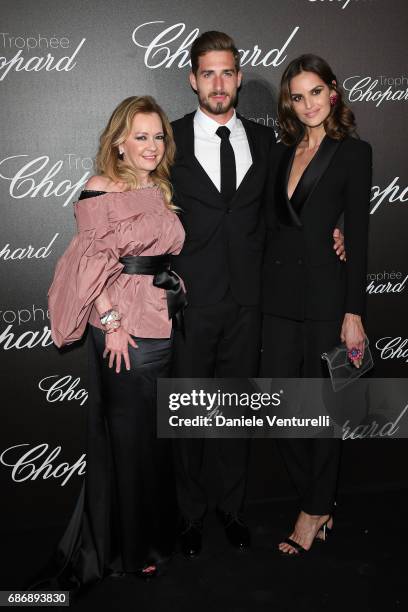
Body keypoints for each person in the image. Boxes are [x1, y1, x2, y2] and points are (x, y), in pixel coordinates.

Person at [169, 32, 345, 559]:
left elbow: (294, 211)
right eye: (208, 74)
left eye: (227, 73)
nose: (218, 84)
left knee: (235, 415)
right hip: (191, 303)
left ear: (240, 78)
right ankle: (190, 515)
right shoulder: (169, 140)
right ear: (193, 79)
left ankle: (231, 508)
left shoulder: (268, 143)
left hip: (252, 303)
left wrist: (339, 230)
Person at [43, 95, 186, 587]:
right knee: (126, 442)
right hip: (123, 331)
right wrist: (111, 321)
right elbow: (91, 263)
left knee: (153, 439)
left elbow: (159, 257)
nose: (151, 145)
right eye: (140, 136)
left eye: (158, 136)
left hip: (164, 324)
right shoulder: (99, 188)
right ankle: (127, 548)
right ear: (119, 143)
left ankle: (154, 535)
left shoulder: (161, 188)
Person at [261, 54, 372, 555]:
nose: (308, 104)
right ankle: (319, 499)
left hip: (328, 300)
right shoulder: (280, 153)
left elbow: (361, 237)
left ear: (333, 91)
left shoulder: (353, 152)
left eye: (316, 92)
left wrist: (354, 312)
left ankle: (312, 511)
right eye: (298, 96)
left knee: (325, 412)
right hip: (278, 301)